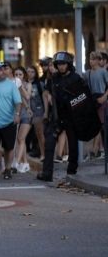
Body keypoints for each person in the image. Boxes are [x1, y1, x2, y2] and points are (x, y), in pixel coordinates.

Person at [37, 52, 87, 181]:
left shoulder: (76, 78)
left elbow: (82, 97)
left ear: (68, 64)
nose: (61, 67)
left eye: (63, 64)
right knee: (49, 144)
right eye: (59, 64)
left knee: (72, 144)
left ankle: (72, 170)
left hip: (71, 116)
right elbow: (47, 94)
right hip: (56, 116)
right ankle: (47, 173)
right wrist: (47, 112)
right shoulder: (53, 78)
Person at [84, 51, 108, 160]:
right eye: (90, 59)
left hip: (102, 99)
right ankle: (96, 150)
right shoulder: (88, 73)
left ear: (98, 60)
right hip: (92, 100)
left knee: (100, 125)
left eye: (93, 59)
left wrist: (104, 97)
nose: (91, 61)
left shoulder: (103, 72)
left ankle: (96, 150)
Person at [13, 67, 32, 173]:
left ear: (24, 75)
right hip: (16, 113)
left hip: (27, 114)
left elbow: (27, 97)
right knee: (20, 140)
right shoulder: (12, 84)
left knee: (21, 138)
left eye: (20, 74)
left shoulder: (27, 85)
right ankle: (25, 162)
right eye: (16, 74)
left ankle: (16, 162)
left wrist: (20, 86)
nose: (18, 76)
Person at [26, 65, 45, 161]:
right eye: (28, 71)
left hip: (38, 112)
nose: (29, 74)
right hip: (26, 113)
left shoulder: (39, 84)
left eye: (32, 72)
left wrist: (45, 112)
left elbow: (44, 99)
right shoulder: (23, 84)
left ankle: (43, 154)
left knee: (40, 134)